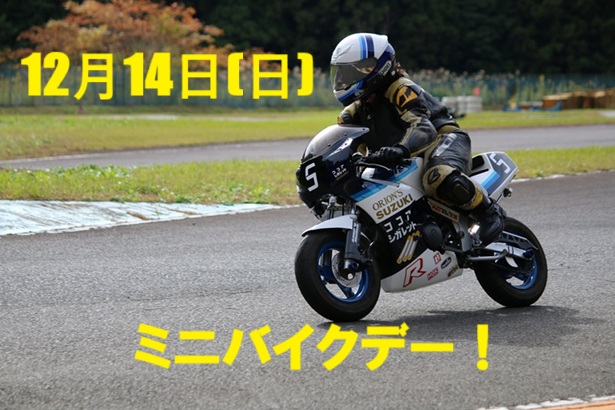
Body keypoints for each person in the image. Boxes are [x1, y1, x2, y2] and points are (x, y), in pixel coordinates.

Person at [330, 32, 503, 245]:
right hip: (402, 155)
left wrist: (401, 149)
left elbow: (423, 128)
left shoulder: (400, 89)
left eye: (349, 72)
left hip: (442, 138)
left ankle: (488, 211)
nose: (342, 79)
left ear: (375, 67)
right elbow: (347, 145)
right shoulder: (352, 113)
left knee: (437, 176)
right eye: (340, 72)